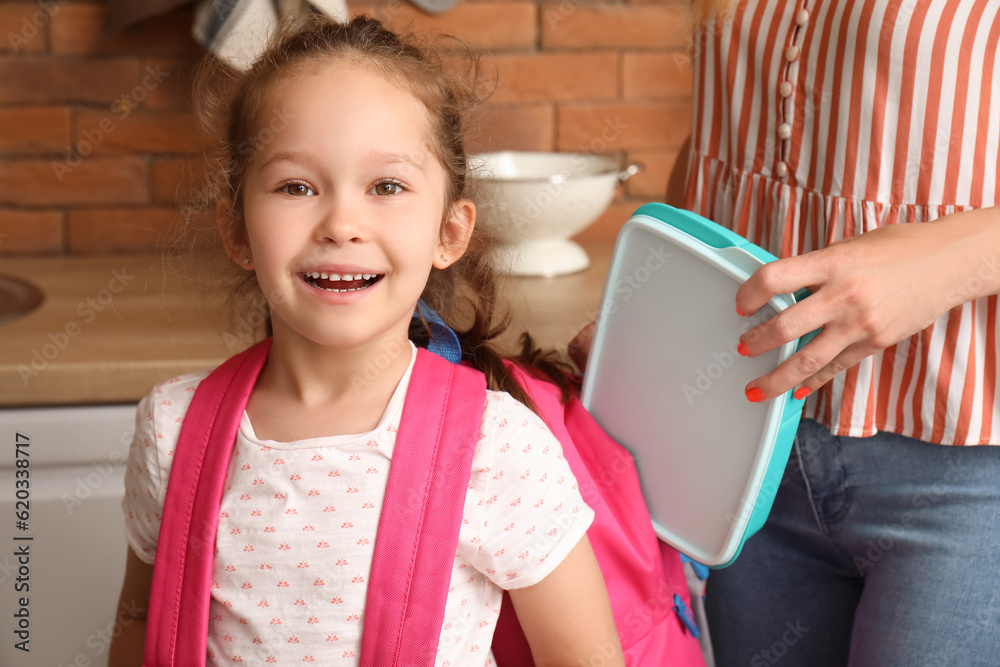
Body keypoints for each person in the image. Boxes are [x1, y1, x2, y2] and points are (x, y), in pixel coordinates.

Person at [108, 15, 624, 666]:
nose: (341, 223)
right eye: (297, 186)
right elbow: (135, 631)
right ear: (237, 228)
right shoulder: (171, 428)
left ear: (450, 232)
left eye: (387, 186)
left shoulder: (499, 448)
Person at [575, 1, 1000, 665]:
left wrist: (946, 259)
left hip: (964, 462)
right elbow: (733, 134)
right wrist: (656, 306)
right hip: (740, 442)